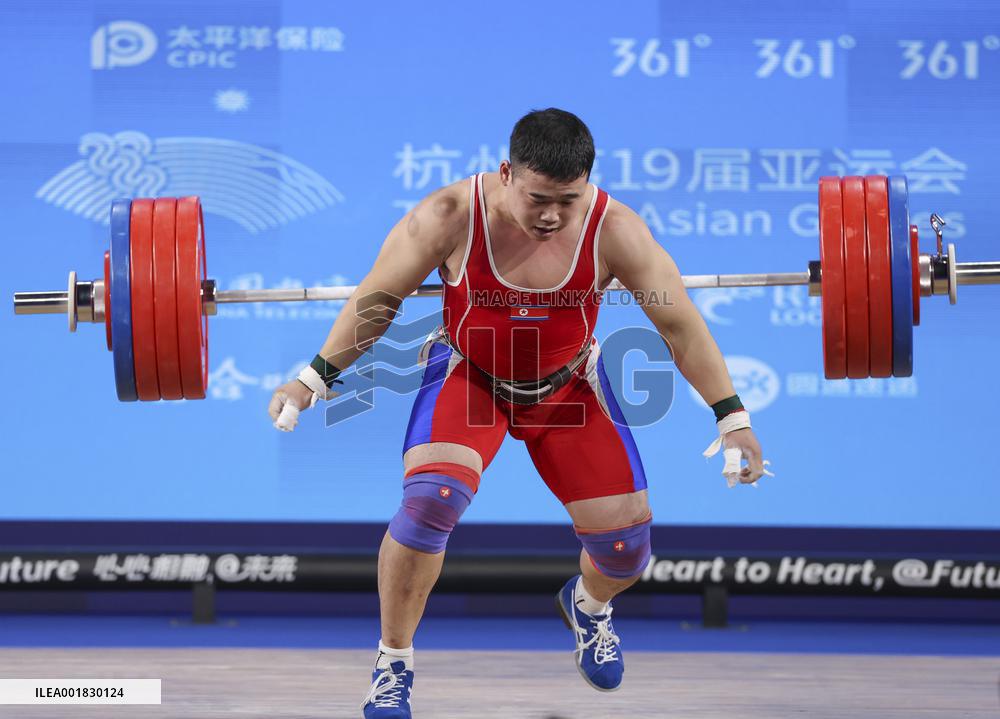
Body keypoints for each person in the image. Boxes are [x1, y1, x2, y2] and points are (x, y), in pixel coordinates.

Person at [268, 108, 768, 718]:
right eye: (538, 198)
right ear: (506, 173)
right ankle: (392, 663)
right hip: (470, 377)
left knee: (626, 551)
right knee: (430, 501)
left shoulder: (616, 230)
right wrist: (311, 379)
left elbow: (680, 326)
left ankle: (588, 605)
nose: (553, 215)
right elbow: (378, 301)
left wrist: (731, 416)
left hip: (567, 391)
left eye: (569, 199)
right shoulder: (449, 216)